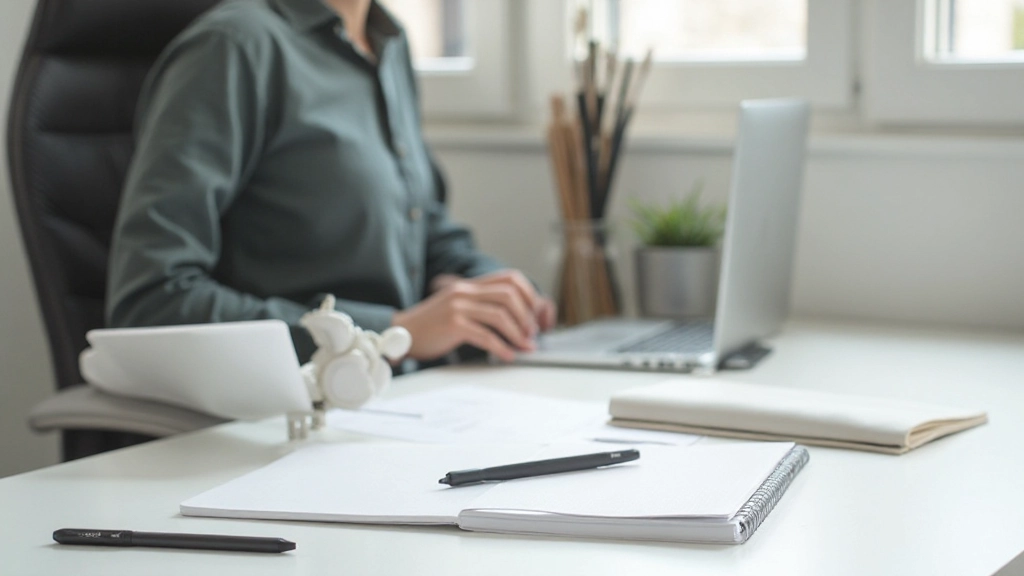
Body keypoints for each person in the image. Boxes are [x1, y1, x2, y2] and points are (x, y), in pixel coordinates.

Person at [106, 0, 555, 367]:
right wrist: (393, 332)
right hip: (291, 414)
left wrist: (492, 290)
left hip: (406, 399)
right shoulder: (233, 48)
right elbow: (150, 305)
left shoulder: (386, 42)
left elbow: (422, 229)